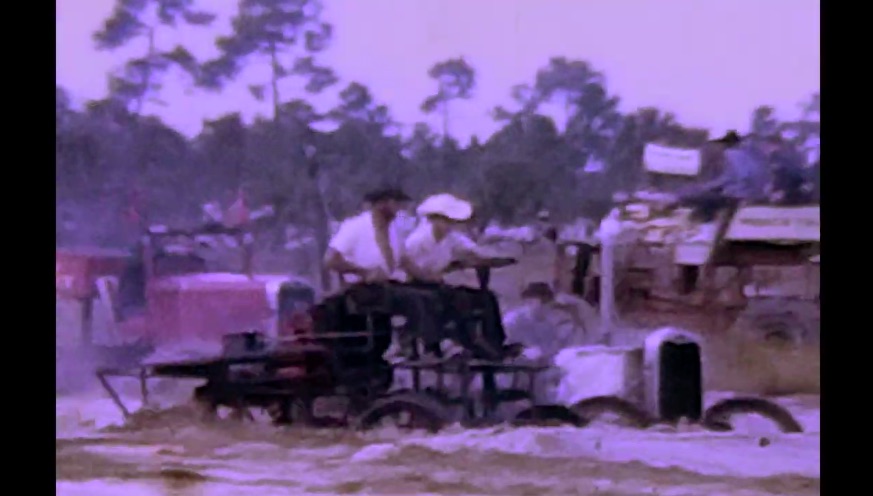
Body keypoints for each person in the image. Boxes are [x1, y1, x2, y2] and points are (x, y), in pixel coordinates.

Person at [671, 130, 771, 220]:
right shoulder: (747, 155)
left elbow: (731, 177)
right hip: (750, 193)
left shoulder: (731, 154)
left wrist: (706, 187)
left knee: (700, 200)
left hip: (737, 194)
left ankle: (703, 224)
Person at [324, 187, 417, 283]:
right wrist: (364, 272)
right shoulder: (355, 226)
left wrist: (424, 275)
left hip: (390, 288)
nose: (399, 208)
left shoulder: (395, 229)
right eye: (396, 203)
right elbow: (330, 260)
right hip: (360, 289)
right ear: (381, 204)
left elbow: (403, 260)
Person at [402, 193, 489, 282]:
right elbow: (404, 262)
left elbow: (473, 249)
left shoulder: (452, 238)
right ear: (433, 219)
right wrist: (424, 276)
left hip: (436, 283)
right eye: (445, 220)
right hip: (414, 284)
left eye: (451, 221)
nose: (449, 225)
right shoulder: (418, 239)